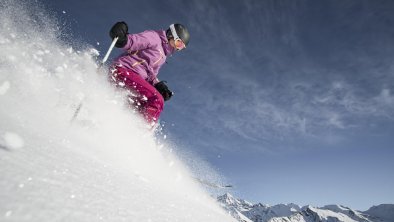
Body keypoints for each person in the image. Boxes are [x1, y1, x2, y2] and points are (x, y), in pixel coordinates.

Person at [108, 21, 190, 125]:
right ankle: (141, 131)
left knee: (141, 105)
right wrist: (123, 39)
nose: (177, 48)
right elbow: (134, 41)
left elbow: (151, 74)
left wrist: (158, 85)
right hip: (124, 70)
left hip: (134, 78)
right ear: (171, 35)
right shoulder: (154, 37)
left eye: (181, 47)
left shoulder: (163, 56)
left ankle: (123, 124)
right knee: (156, 100)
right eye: (178, 43)